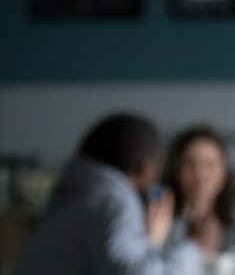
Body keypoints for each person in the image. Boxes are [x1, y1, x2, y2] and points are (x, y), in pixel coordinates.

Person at [13, 113, 205, 275]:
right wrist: (195, 247)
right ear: (145, 168)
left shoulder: (78, 192)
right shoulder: (113, 200)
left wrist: (148, 243)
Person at [163, 126, 235, 255]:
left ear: (224, 171)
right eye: (190, 164)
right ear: (176, 169)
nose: (200, 174)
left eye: (209, 165)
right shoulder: (160, 218)